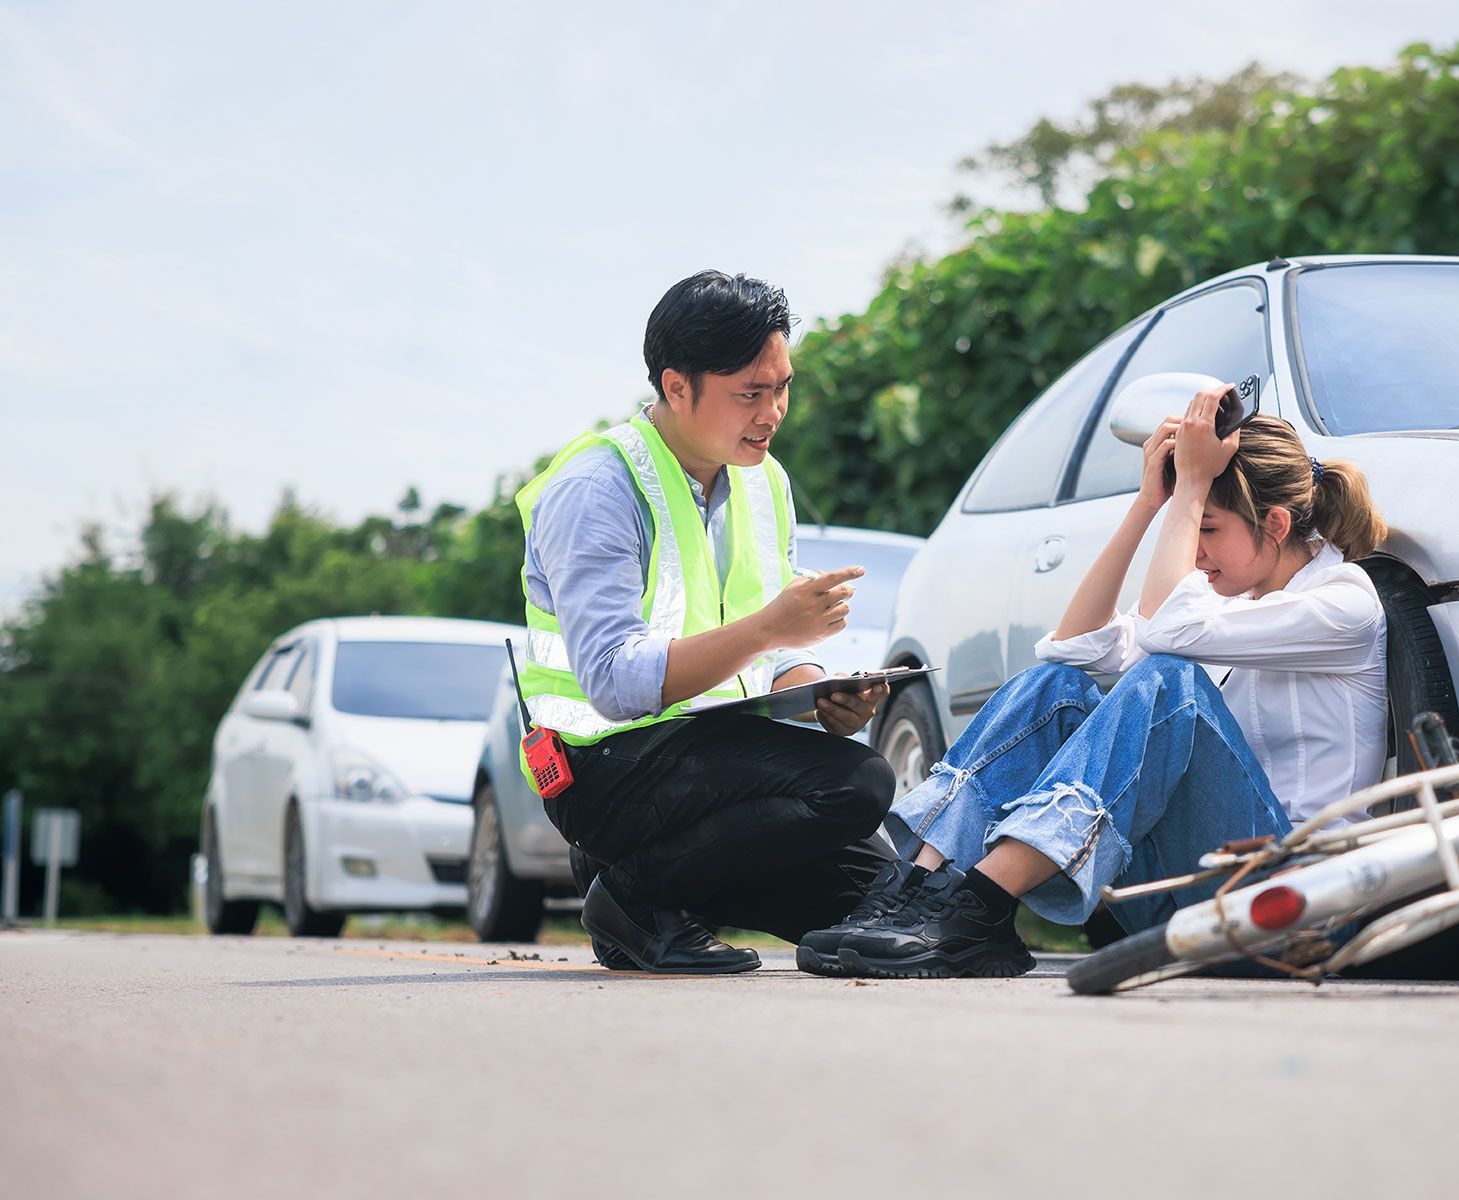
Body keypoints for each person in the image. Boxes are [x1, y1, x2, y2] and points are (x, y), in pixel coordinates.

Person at [797, 386, 1390, 978]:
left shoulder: (1343, 604)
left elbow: (1168, 636)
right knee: (1052, 685)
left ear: (1277, 523)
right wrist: (1147, 504)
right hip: (1194, 893)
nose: (1196, 553)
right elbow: (1073, 647)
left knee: (1167, 680)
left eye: (1208, 529)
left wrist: (1189, 489)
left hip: (1294, 907)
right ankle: (920, 890)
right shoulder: (1220, 610)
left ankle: (978, 905)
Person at [517, 270, 895, 975]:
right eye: (750, 393)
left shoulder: (764, 480)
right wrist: (770, 629)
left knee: (884, 903)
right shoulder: (597, 488)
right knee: (858, 783)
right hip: (601, 765)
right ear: (677, 386)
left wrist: (820, 693)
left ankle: (649, 901)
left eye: (781, 387)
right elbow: (612, 682)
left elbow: (778, 653)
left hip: (711, 758)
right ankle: (632, 893)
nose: (772, 411)